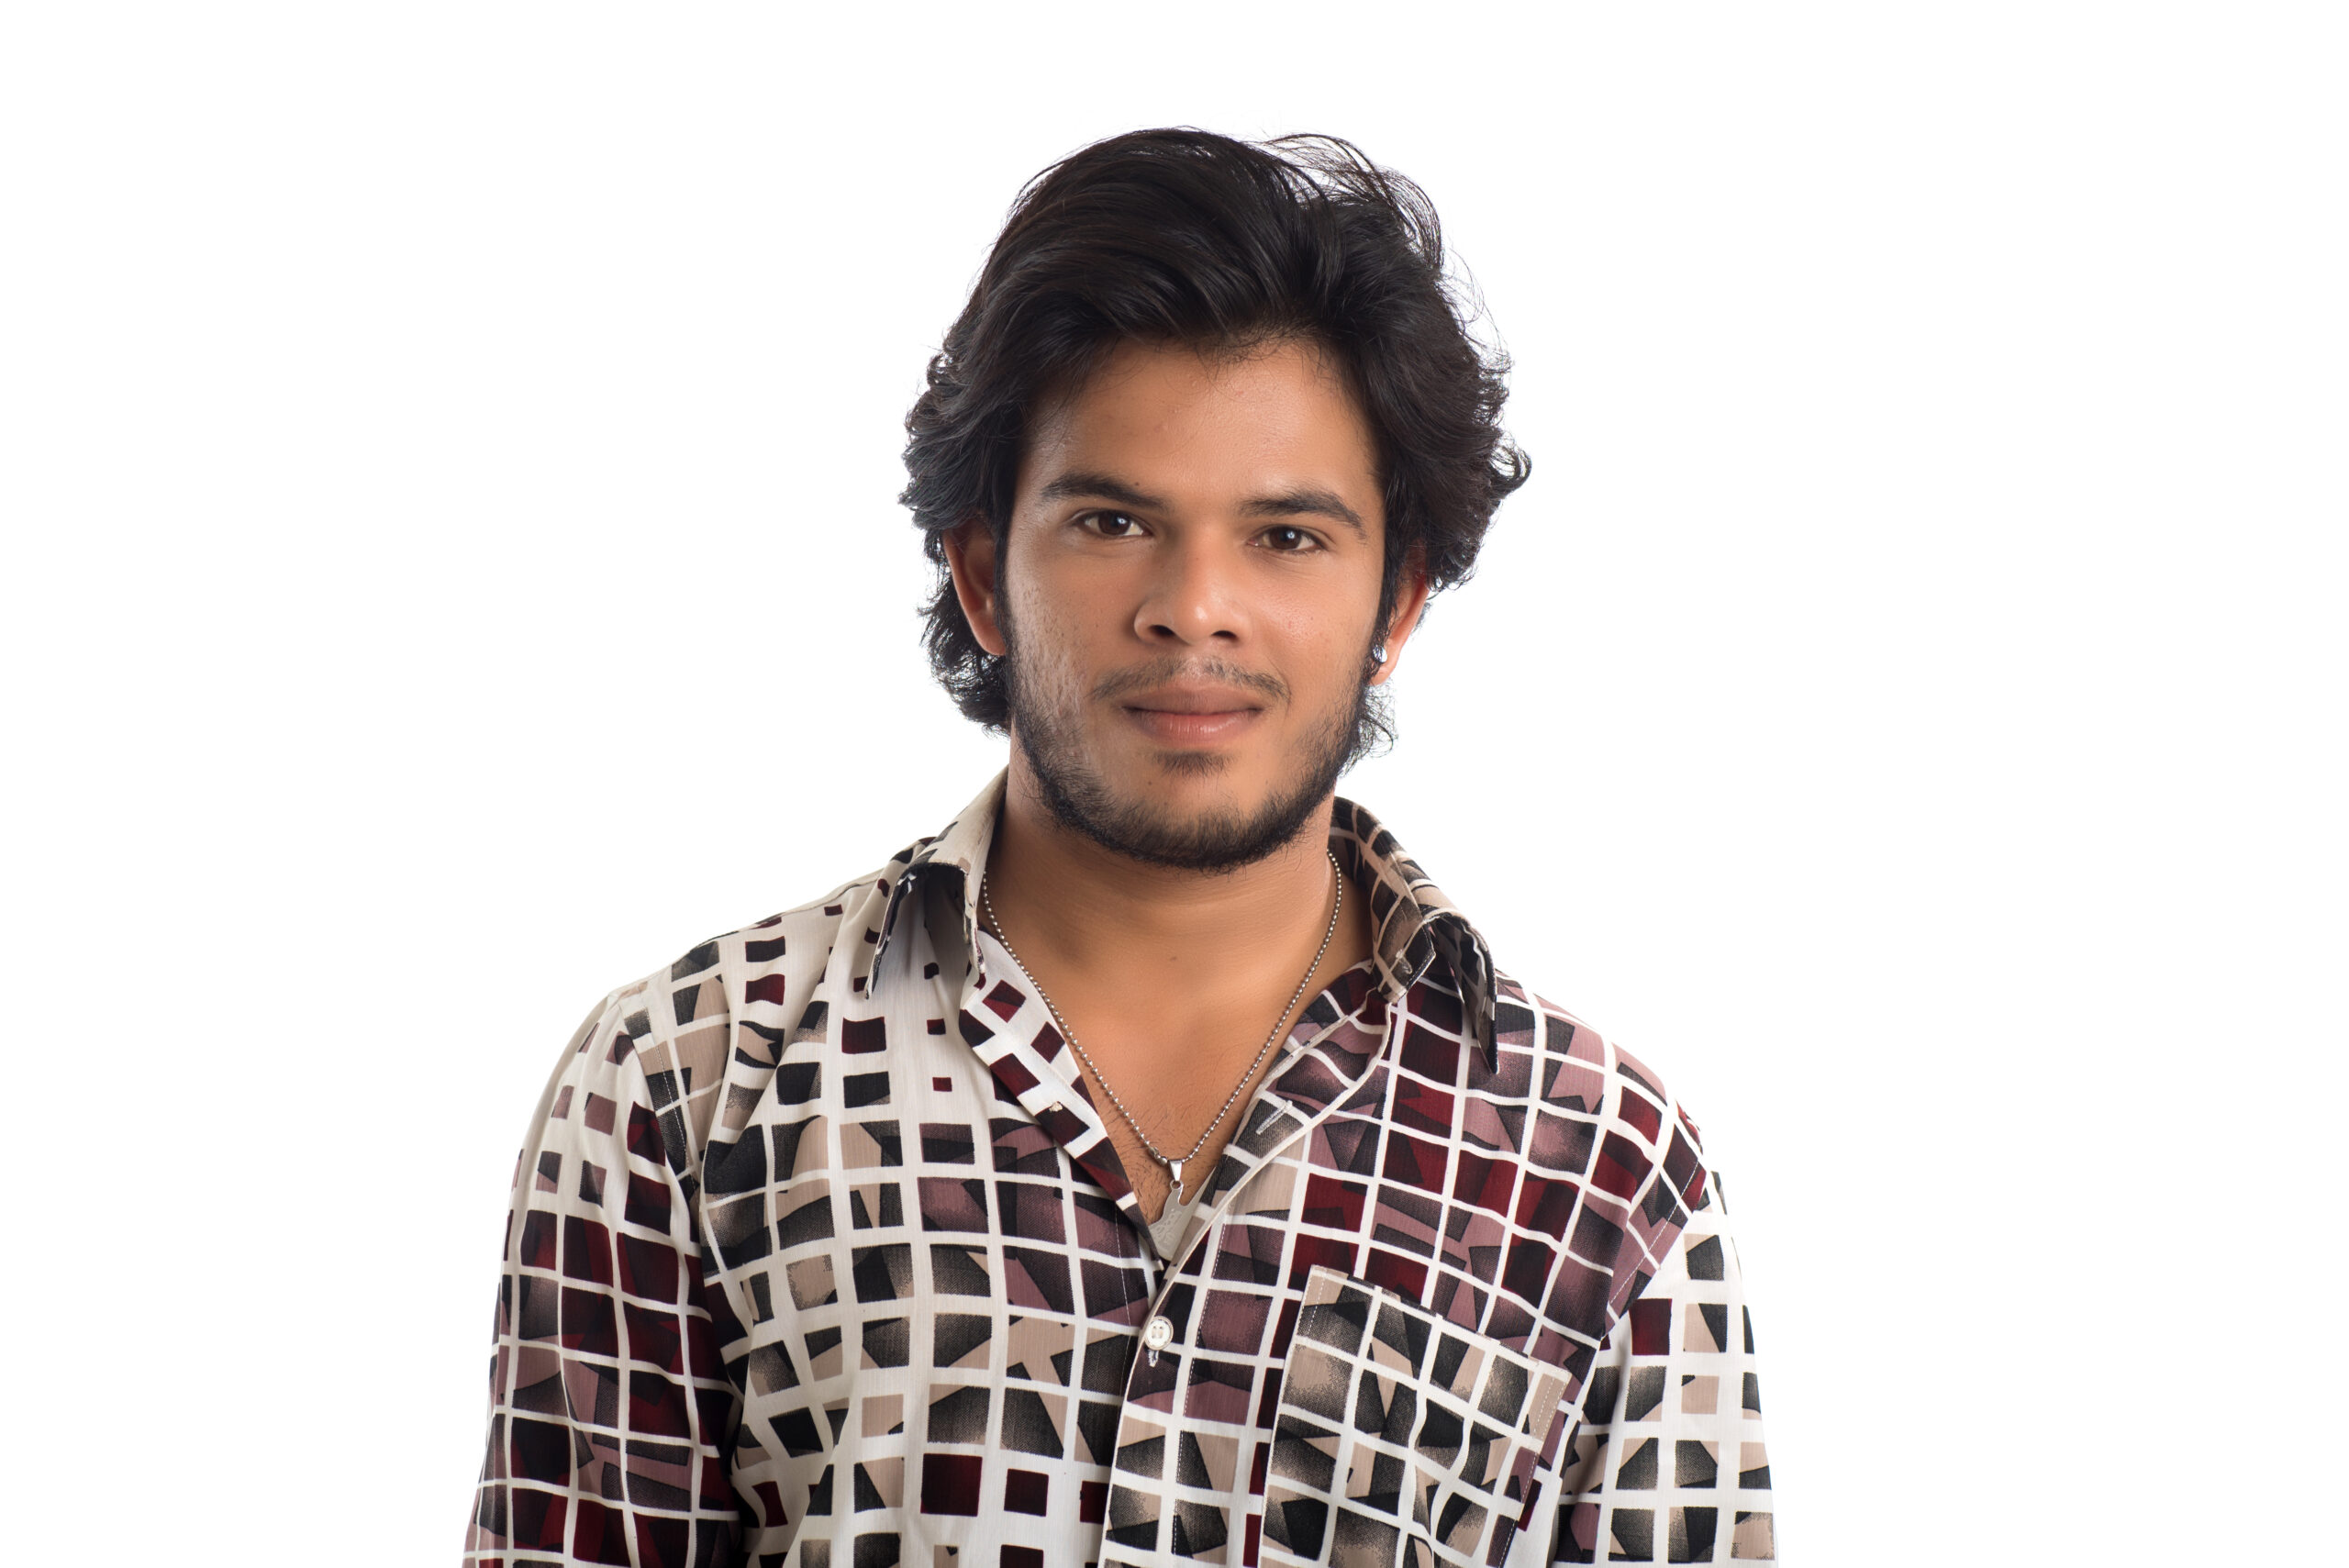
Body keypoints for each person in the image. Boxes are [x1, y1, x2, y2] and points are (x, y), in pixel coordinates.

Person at [462, 128, 1776, 1568]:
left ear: (1397, 598)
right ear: (982, 576)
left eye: (1285, 538)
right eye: (1111, 520)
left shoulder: (1594, 1160)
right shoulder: (687, 1086)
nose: (1193, 606)